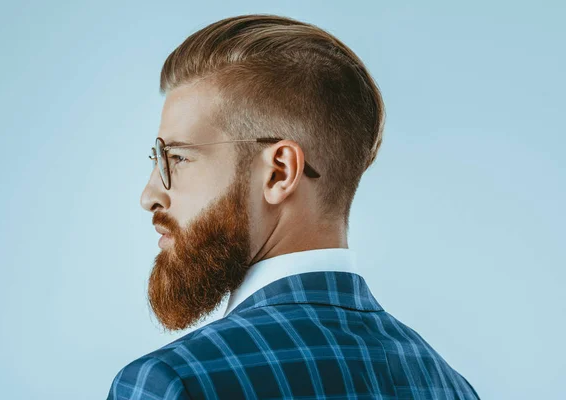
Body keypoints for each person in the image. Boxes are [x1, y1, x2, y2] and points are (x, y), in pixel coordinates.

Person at [106, 14, 480, 399]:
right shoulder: (450, 386)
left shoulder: (172, 382)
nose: (150, 194)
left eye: (178, 159)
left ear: (279, 173)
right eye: (156, 159)